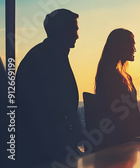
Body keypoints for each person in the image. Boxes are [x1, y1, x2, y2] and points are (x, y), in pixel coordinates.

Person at [16, 9, 83, 166]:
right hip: (44, 152)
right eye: (74, 29)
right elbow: (50, 112)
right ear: (62, 31)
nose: (77, 35)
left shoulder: (48, 55)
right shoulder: (46, 59)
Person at [94, 28, 140, 149]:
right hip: (120, 141)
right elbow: (121, 117)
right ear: (121, 46)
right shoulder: (112, 75)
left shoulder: (121, 76)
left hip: (122, 139)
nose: (135, 50)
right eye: (132, 45)